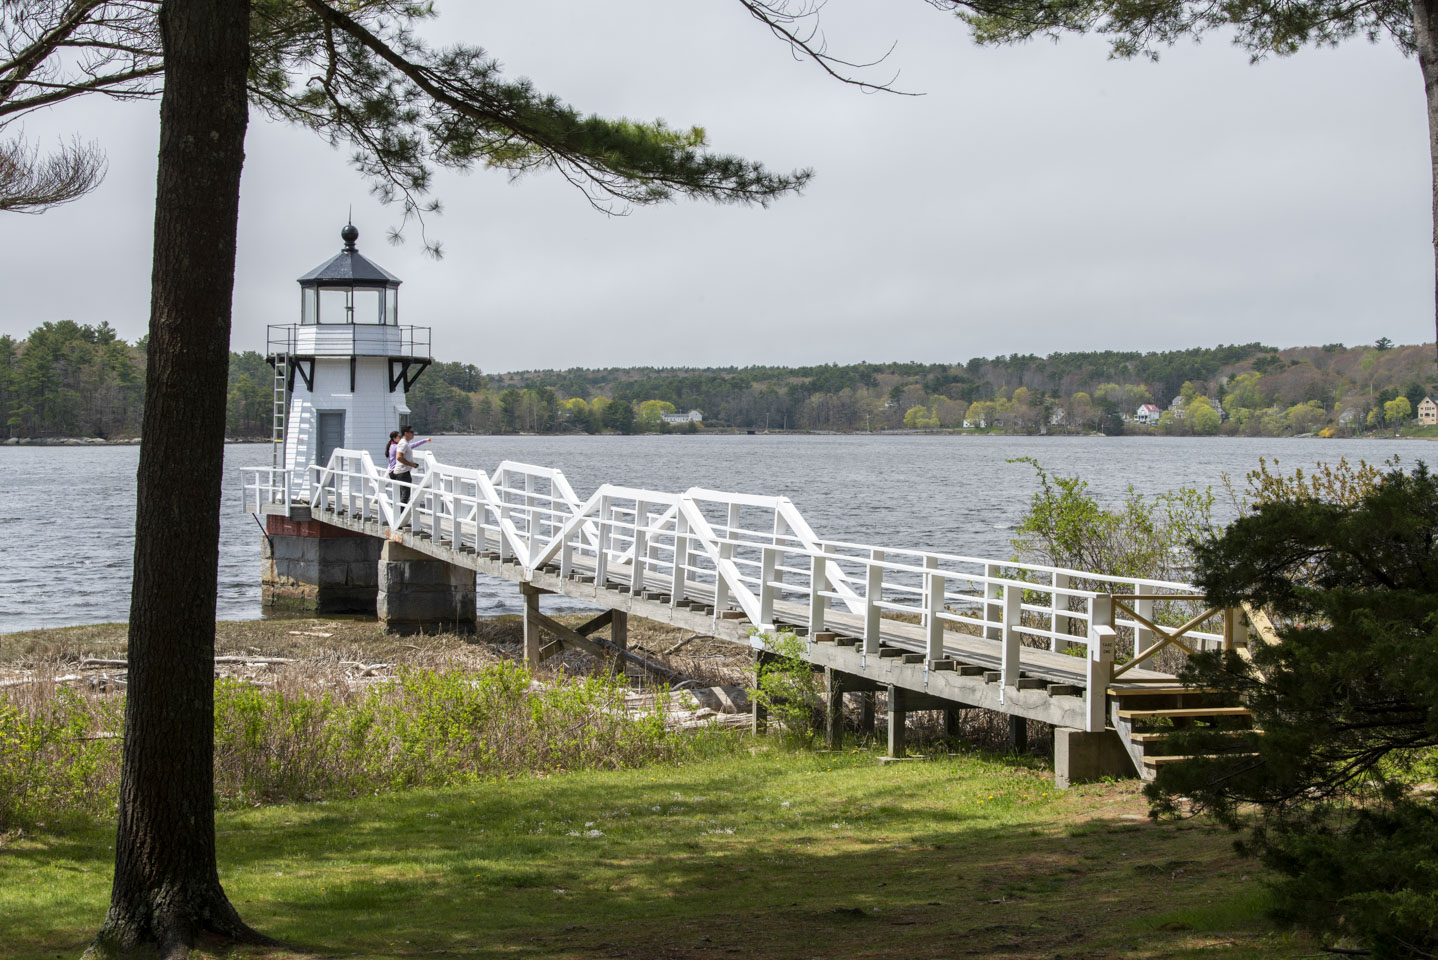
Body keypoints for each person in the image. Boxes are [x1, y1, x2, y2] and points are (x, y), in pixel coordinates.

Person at [393, 425, 420, 509]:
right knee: (405, 495)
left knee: (403, 495)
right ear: (406, 433)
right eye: (411, 432)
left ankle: (399, 514)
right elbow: (399, 457)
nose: (413, 434)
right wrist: (411, 464)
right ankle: (400, 516)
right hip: (403, 472)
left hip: (403, 472)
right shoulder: (403, 443)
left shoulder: (405, 443)